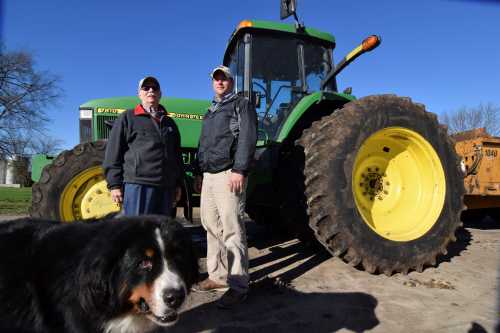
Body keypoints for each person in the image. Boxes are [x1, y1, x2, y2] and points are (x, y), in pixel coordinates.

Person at [193, 65, 257, 309]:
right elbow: (203, 143)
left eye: (224, 79)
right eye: (216, 79)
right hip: (209, 174)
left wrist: (240, 169)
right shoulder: (210, 110)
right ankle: (217, 276)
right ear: (212, 83)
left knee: (232, 228)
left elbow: (247, 137)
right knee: (210, 224)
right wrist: (199, 171)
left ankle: (239, 284)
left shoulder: (241, 104)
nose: (220, 82)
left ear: (231, 82)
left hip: (229, 172)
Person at [103, 76, 183, 216]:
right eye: (146, 88)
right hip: (138, 185)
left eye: (155, 88)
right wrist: (114, 185)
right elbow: (113, 153)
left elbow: (176, 156)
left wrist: (177, 184)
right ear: (139, 94)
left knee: (161, 233)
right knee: (137, 232)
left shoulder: (170, 123)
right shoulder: (127, 118)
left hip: (166, 187)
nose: (151, 90)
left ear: (160, 93)